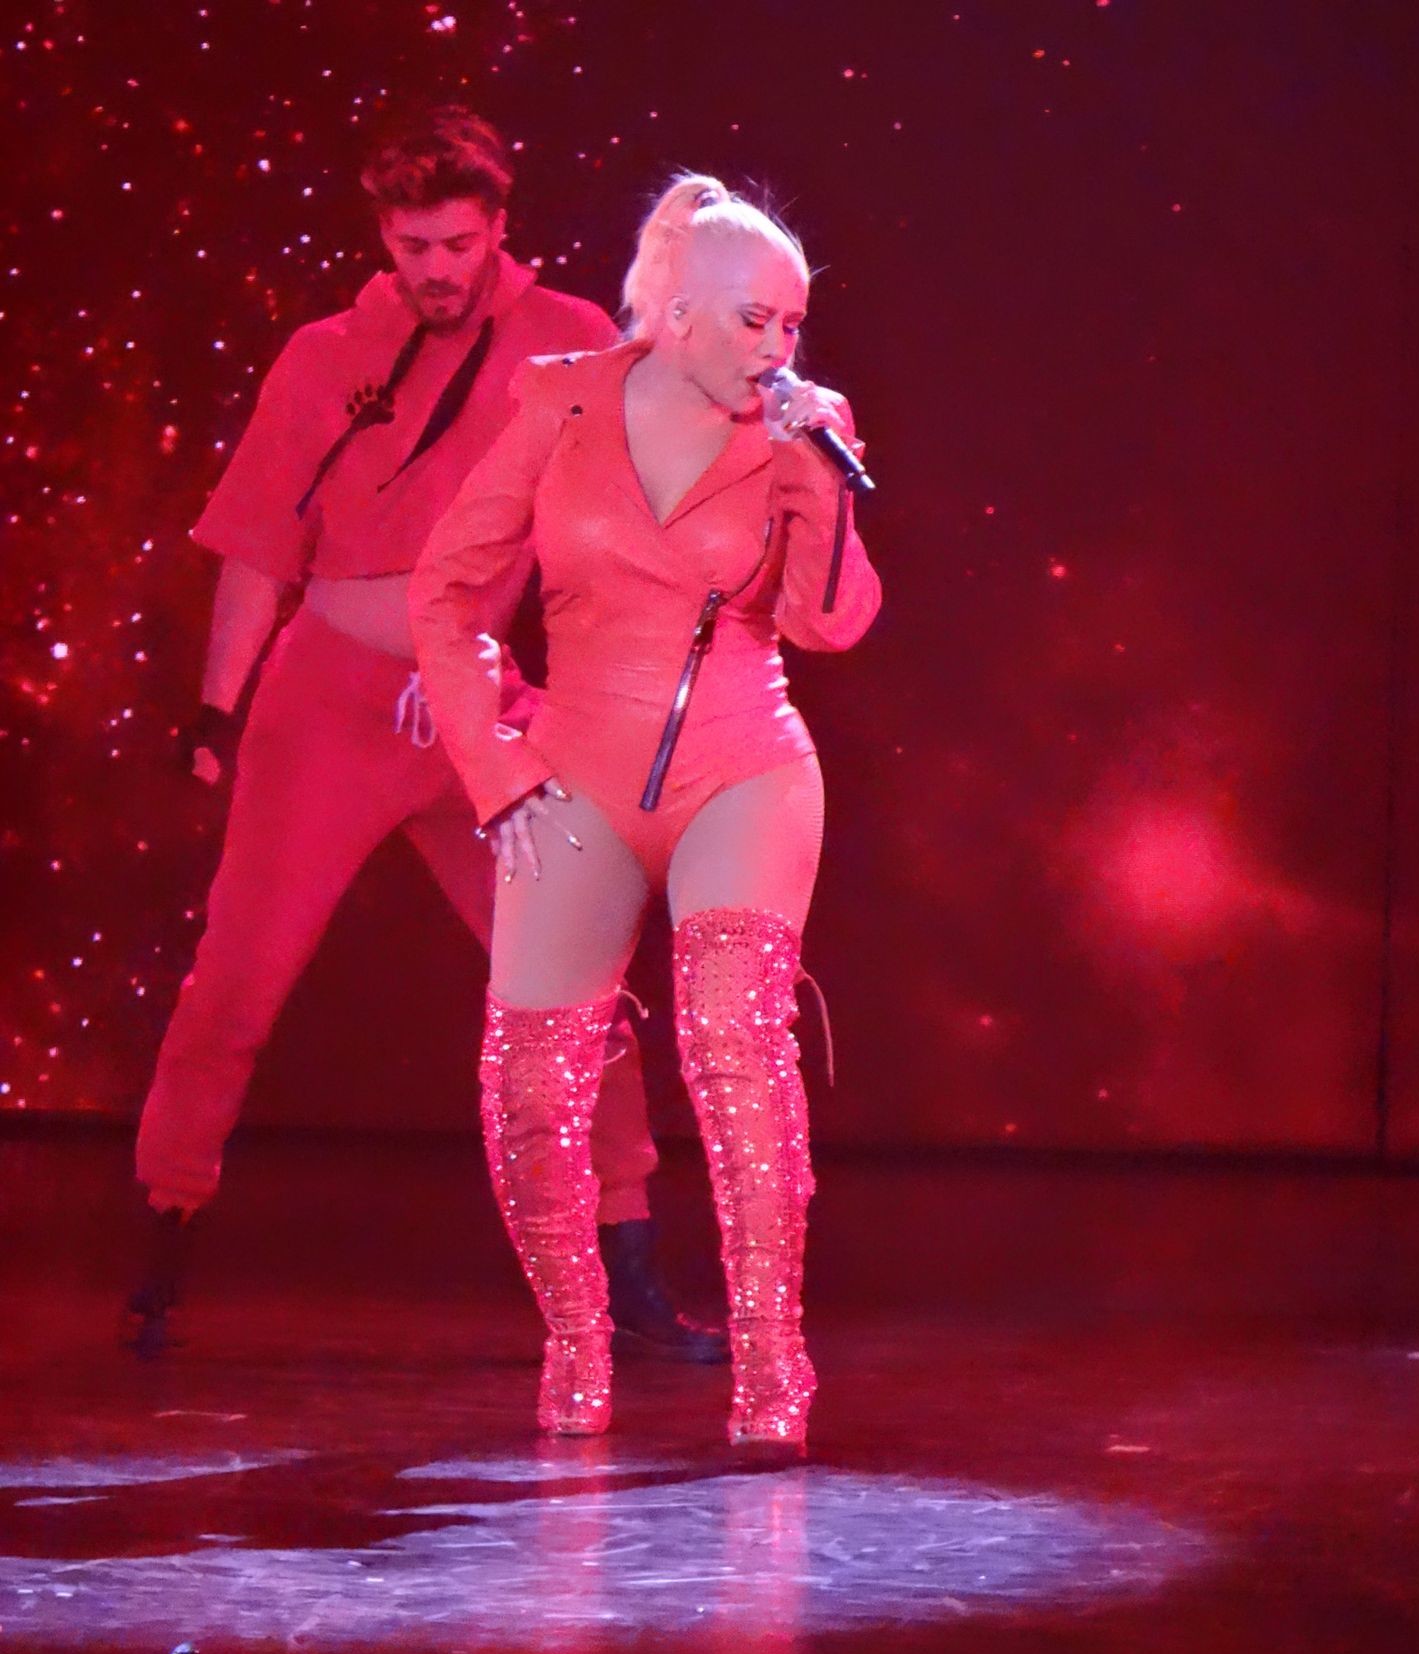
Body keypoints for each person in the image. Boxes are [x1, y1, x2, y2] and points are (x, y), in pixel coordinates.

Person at [127, 109, 723, 1366]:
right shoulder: (324, 357)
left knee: (581, 978)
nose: (436, 269)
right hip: (330, 704)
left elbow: (632, 505)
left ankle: (628, 1259)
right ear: (383, 238)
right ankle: (161, 1237)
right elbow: (256, 544)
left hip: (473, 705)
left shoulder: (567, 339)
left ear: (499, 228)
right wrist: (217, 710)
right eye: (412, 247)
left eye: (456, 244)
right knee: (237, 978)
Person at [409, 173, 881, 1453]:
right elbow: (444, 592)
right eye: (753, 320)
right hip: (576, 766)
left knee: (733, 1047)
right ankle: (576, 1342)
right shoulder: (561, 401)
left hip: (744, 762)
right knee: (527, 1088)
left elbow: (829, 621)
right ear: (676, 314)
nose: (777, 347)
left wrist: (818, 480)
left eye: (793, 324)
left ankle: (773, 1371)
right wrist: (493, 767)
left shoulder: (798, 434)